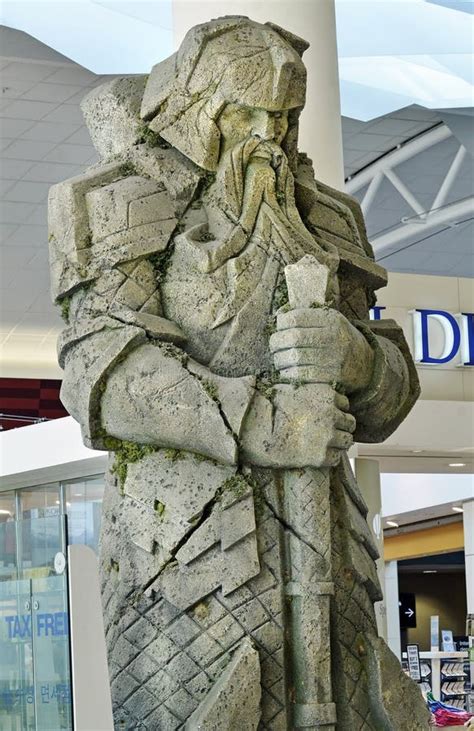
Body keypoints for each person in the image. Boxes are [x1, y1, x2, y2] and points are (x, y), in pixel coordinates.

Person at [49, 16, 428, 730]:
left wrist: (356, 359)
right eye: (246, 113)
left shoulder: (329, 219)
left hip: (333, 559)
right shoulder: (120, 202)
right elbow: (103, 371)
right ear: (199, 110)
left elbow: (392, 384)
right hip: (190, 560)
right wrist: (267, 423)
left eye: (283, 118)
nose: (269, 135)